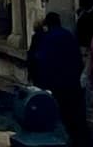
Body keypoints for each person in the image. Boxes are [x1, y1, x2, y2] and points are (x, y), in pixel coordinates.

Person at [27, 13, 86, 144]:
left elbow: (43, 61)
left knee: (65, 114)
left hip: (57, 83)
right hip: (72, 81)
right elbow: (78, 60)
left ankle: (72, 138)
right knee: (77, 114)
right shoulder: (68, 35)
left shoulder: (47, 39)